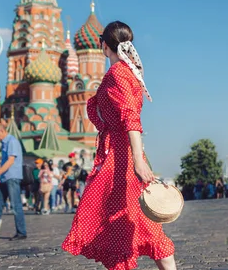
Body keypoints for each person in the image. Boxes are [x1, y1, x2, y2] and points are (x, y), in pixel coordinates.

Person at [62, 21, 176, 270]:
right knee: (142, 224)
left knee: (113, 225)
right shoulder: (130, 71)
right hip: (122, 154)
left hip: (119, 159)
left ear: (105, 46)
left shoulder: (117, 74)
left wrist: (136, 160)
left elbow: (130, 118)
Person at [0, 123, 27, 242]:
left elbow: (10, 161)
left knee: (16, 205)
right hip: (4, 178)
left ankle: (21, 232)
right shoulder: (4, 143)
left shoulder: (12, 141)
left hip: (12, 177)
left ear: (2, 131)